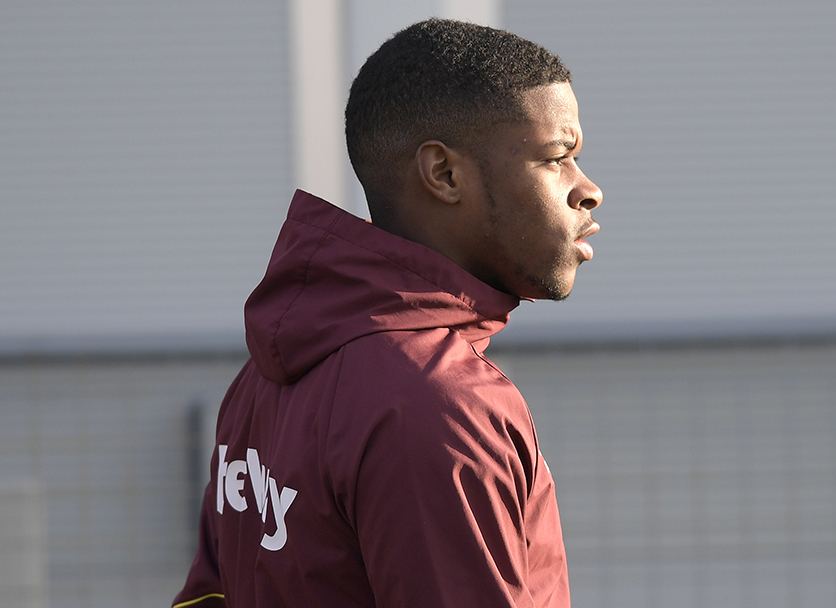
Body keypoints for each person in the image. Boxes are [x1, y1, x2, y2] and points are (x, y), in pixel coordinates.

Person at [173, 17, 602, 608]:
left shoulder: (263, 377)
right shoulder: (438, 405)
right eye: (558, 156)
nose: (588, 188)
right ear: (445, 174)